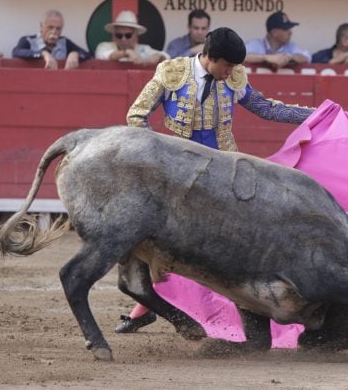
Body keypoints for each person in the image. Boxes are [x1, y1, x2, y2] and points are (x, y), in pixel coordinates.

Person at [117, 27, 315, 333]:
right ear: (210, 57)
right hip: (180, 171)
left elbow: (266, 109)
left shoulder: (234, 79)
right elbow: (136, 116)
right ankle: (144, 306)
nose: (231, 72)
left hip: (224, 170)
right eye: (227, 66)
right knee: (161, 240)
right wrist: (162, 156)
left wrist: (315, 115)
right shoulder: (172, 73)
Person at [12, 10, 90, 70]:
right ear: (41, 26)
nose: (54, 32)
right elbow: (16, 52)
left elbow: (88, 55)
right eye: (50, 27)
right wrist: (43, 54)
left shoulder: (64, 42)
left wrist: (75, 54)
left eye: (58, 28)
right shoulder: (29, 40)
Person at [95, 10, 168, 65]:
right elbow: (102, 54)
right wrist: (127, 52)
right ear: (114, 34)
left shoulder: (144, 49)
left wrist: (159, 57)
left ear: (136, 34)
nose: (123, 39)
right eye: (119, 35)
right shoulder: (104, 46)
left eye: (128, 35)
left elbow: (166, 56)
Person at [244, 10, 310, 68]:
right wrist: (266, 57)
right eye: (286, 29)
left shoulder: (290, 46)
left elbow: (306, 57)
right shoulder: (256, 44)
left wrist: (289, 57)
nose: (290, 32)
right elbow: (239, 56)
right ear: (274, 32)